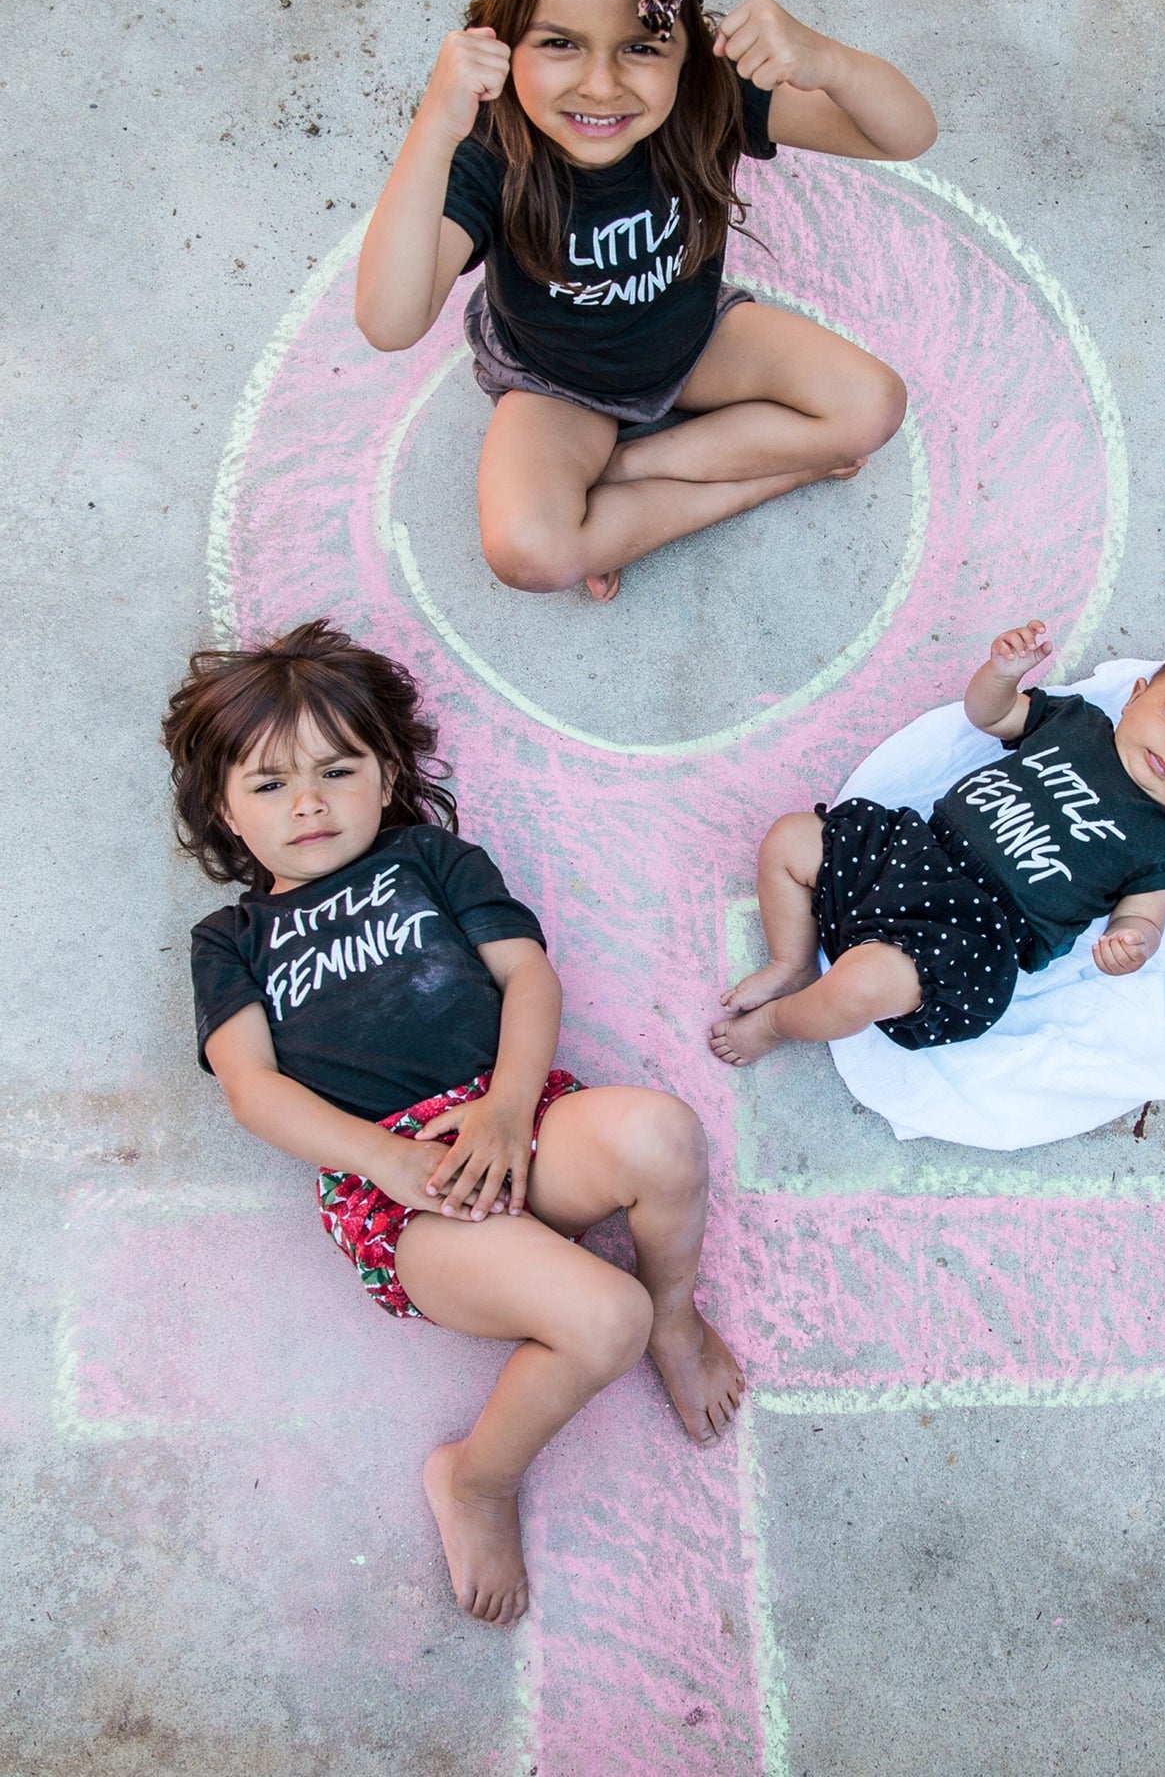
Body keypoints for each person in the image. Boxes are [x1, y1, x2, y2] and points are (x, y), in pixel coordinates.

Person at [162, 619, 743, 1626]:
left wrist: (511, 1104)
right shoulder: (233, 939)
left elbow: (526, 975)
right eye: (267, 785)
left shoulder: (430, 858)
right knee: (603, 1319)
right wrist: (383, 1158)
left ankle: (677, 1310)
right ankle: (476, 1476)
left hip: (511, 1111)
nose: (307, 802)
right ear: (225, 810)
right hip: (402, 1194)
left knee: (661, 1133)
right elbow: (252, 1086)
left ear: (385, 777)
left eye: (335, 770)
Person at [355, 0, 936, 600]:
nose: (600, 86)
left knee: (871, 406)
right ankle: (757, 476)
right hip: (555, 379)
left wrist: (822, 58)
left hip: (695, 338)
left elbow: (905, 134)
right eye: (559, 43)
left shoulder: (709, 93)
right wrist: (435, 124)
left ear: (690, 47)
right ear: (496, 42)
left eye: (641, 47)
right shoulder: (488, 142)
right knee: (528, 552)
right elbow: (390, 320)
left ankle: (625, 483)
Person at [711, 620, 1165, 1063]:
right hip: (914, 851)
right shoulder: (1076, 723)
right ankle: (791, 963)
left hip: (975, 933)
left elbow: (1145, 915)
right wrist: (1002, 674)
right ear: (1138, 694)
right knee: (791, 840)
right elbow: (988, 716)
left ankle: (779, 1024)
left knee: (861, 986)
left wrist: (1131, 941)